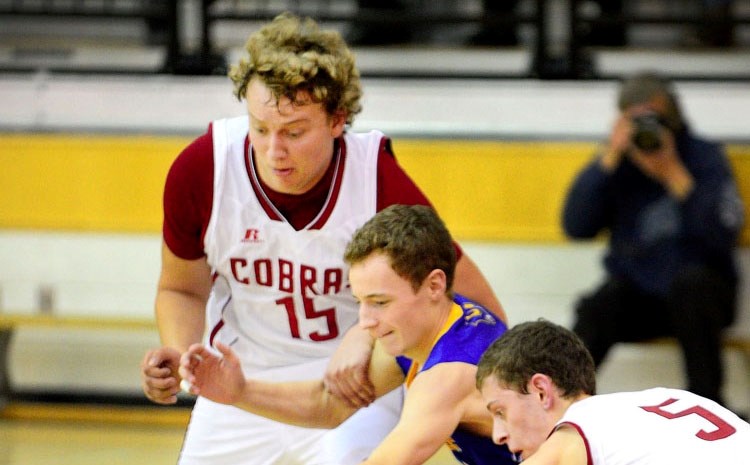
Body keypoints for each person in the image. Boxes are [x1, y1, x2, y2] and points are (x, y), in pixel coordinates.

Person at [139, 12, 506, 465]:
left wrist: (365, 333)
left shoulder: (377, 182)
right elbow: (180, 288)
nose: (274, 151)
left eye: (294, 132)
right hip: (240, 377)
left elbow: (476, 306)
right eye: (259, 128)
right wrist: (179, 355)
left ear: (338, 119)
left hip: (352, 384)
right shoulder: (203, 170)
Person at [179, 204, 517, 465]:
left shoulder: (448, 374)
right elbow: (329, 406)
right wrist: (240, 392)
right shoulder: (442, 321)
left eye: (380, 302)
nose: (366, 321)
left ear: (434, 285)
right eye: (360, 302)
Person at [561, 71, 744, 407]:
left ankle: (708, 408)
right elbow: (576, 227)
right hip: (640, 294)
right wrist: (608, 159)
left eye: (654, 119)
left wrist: (672, 172)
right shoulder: (617, 165)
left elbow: (724, 235)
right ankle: (563, 403)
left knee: (694, 288)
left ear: (673, 117)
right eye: (637, 120)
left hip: (702, 294)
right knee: (599, 306)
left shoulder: (704, 158)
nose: (648, 129)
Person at [476, 319, 750, 464]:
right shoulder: (664, 398)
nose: (498, 434)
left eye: (501, 412)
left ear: (540, 391)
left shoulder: (576, 431)